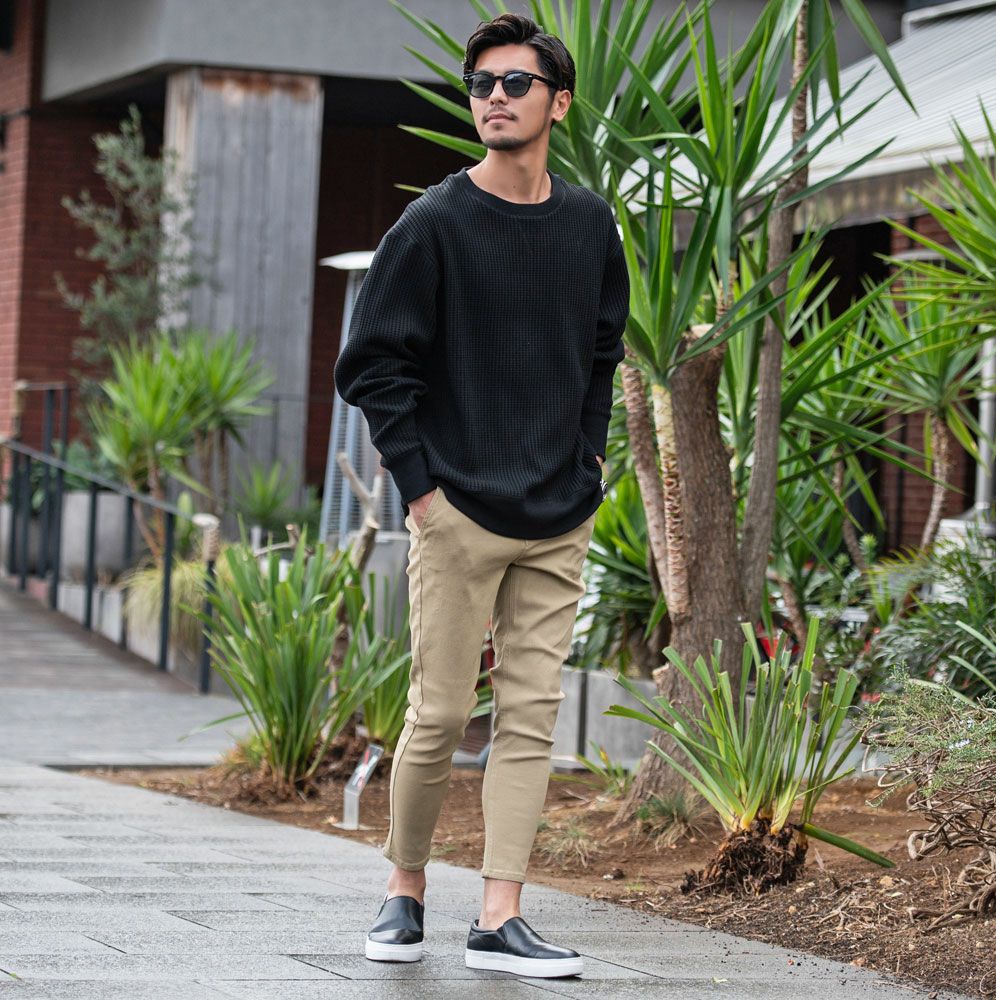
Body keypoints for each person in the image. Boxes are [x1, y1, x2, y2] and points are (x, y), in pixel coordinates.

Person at [333, 11, 629, 980]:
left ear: (558, 103)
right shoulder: (433, 223)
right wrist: (421, 490)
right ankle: (404, 890)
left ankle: (500, 916)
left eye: (515, 82)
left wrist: (588, 462)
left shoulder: (589, 224)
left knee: (531, 717)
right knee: (438, 713)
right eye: (480, 84)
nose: (494, 98)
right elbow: (370, 364)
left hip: (559, 511)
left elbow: (602, 351)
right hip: (456, 510)